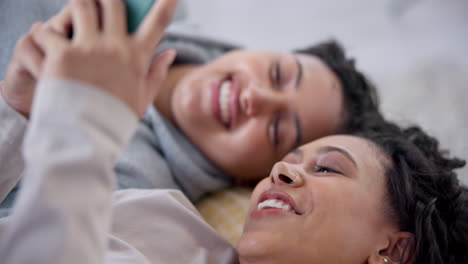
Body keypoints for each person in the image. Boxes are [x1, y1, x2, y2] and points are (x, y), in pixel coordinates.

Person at [1, 1, 467, 263]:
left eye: (327, 167)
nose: (282, 171)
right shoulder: (176, 225)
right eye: (280, 73)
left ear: (395, 251)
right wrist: (16, 115)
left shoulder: (133, 183)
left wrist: (83, 127)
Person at [0, 0, 382, 212]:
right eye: (279, 73)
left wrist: (17, 113)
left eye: (276, 129)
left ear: (251, 179)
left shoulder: (133, 194)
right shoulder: (156, 8)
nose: (255, 98)